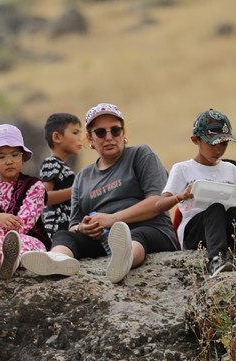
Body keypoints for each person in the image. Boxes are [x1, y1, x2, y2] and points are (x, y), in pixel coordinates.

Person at [21, 103, 178, 284]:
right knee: (64, 235)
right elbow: (74, 224)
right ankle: (57, 260)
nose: (109, 137)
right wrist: (84, 228)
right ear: (90, 138)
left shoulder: (141, 155)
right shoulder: (82, 177)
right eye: (101, 133)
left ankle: (125, 260)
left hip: (150, 230)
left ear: (123, 133)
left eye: (115, 131)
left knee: (137, 235)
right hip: (103, 239)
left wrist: (114, 218)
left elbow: (156, 202)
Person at [158, 110, 236, 277]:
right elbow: (160, 204)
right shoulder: (183, 169)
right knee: (215, 208)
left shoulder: (231, 170)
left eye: (223, 144)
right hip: (196, 234)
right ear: (196, 140)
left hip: (227, 232)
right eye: (212, 144)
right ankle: (216, 259)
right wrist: (181, 196)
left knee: (233, 211)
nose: (218, 150)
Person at [0, 124, 49, 281]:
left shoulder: (35, 186)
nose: (9, 161)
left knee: (14, 243)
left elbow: (25, 222)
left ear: (23, 158)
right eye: (1, 157)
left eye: (15, 155)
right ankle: (6, 260)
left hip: (29, 238)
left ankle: (5, 260)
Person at [39, 112, 84, 236]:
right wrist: (77, 190)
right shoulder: (51, 162)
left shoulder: (62, 166)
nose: (80, 138)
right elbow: (44, 197)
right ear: (57, 137)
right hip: (56, 229)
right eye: (75, 133)